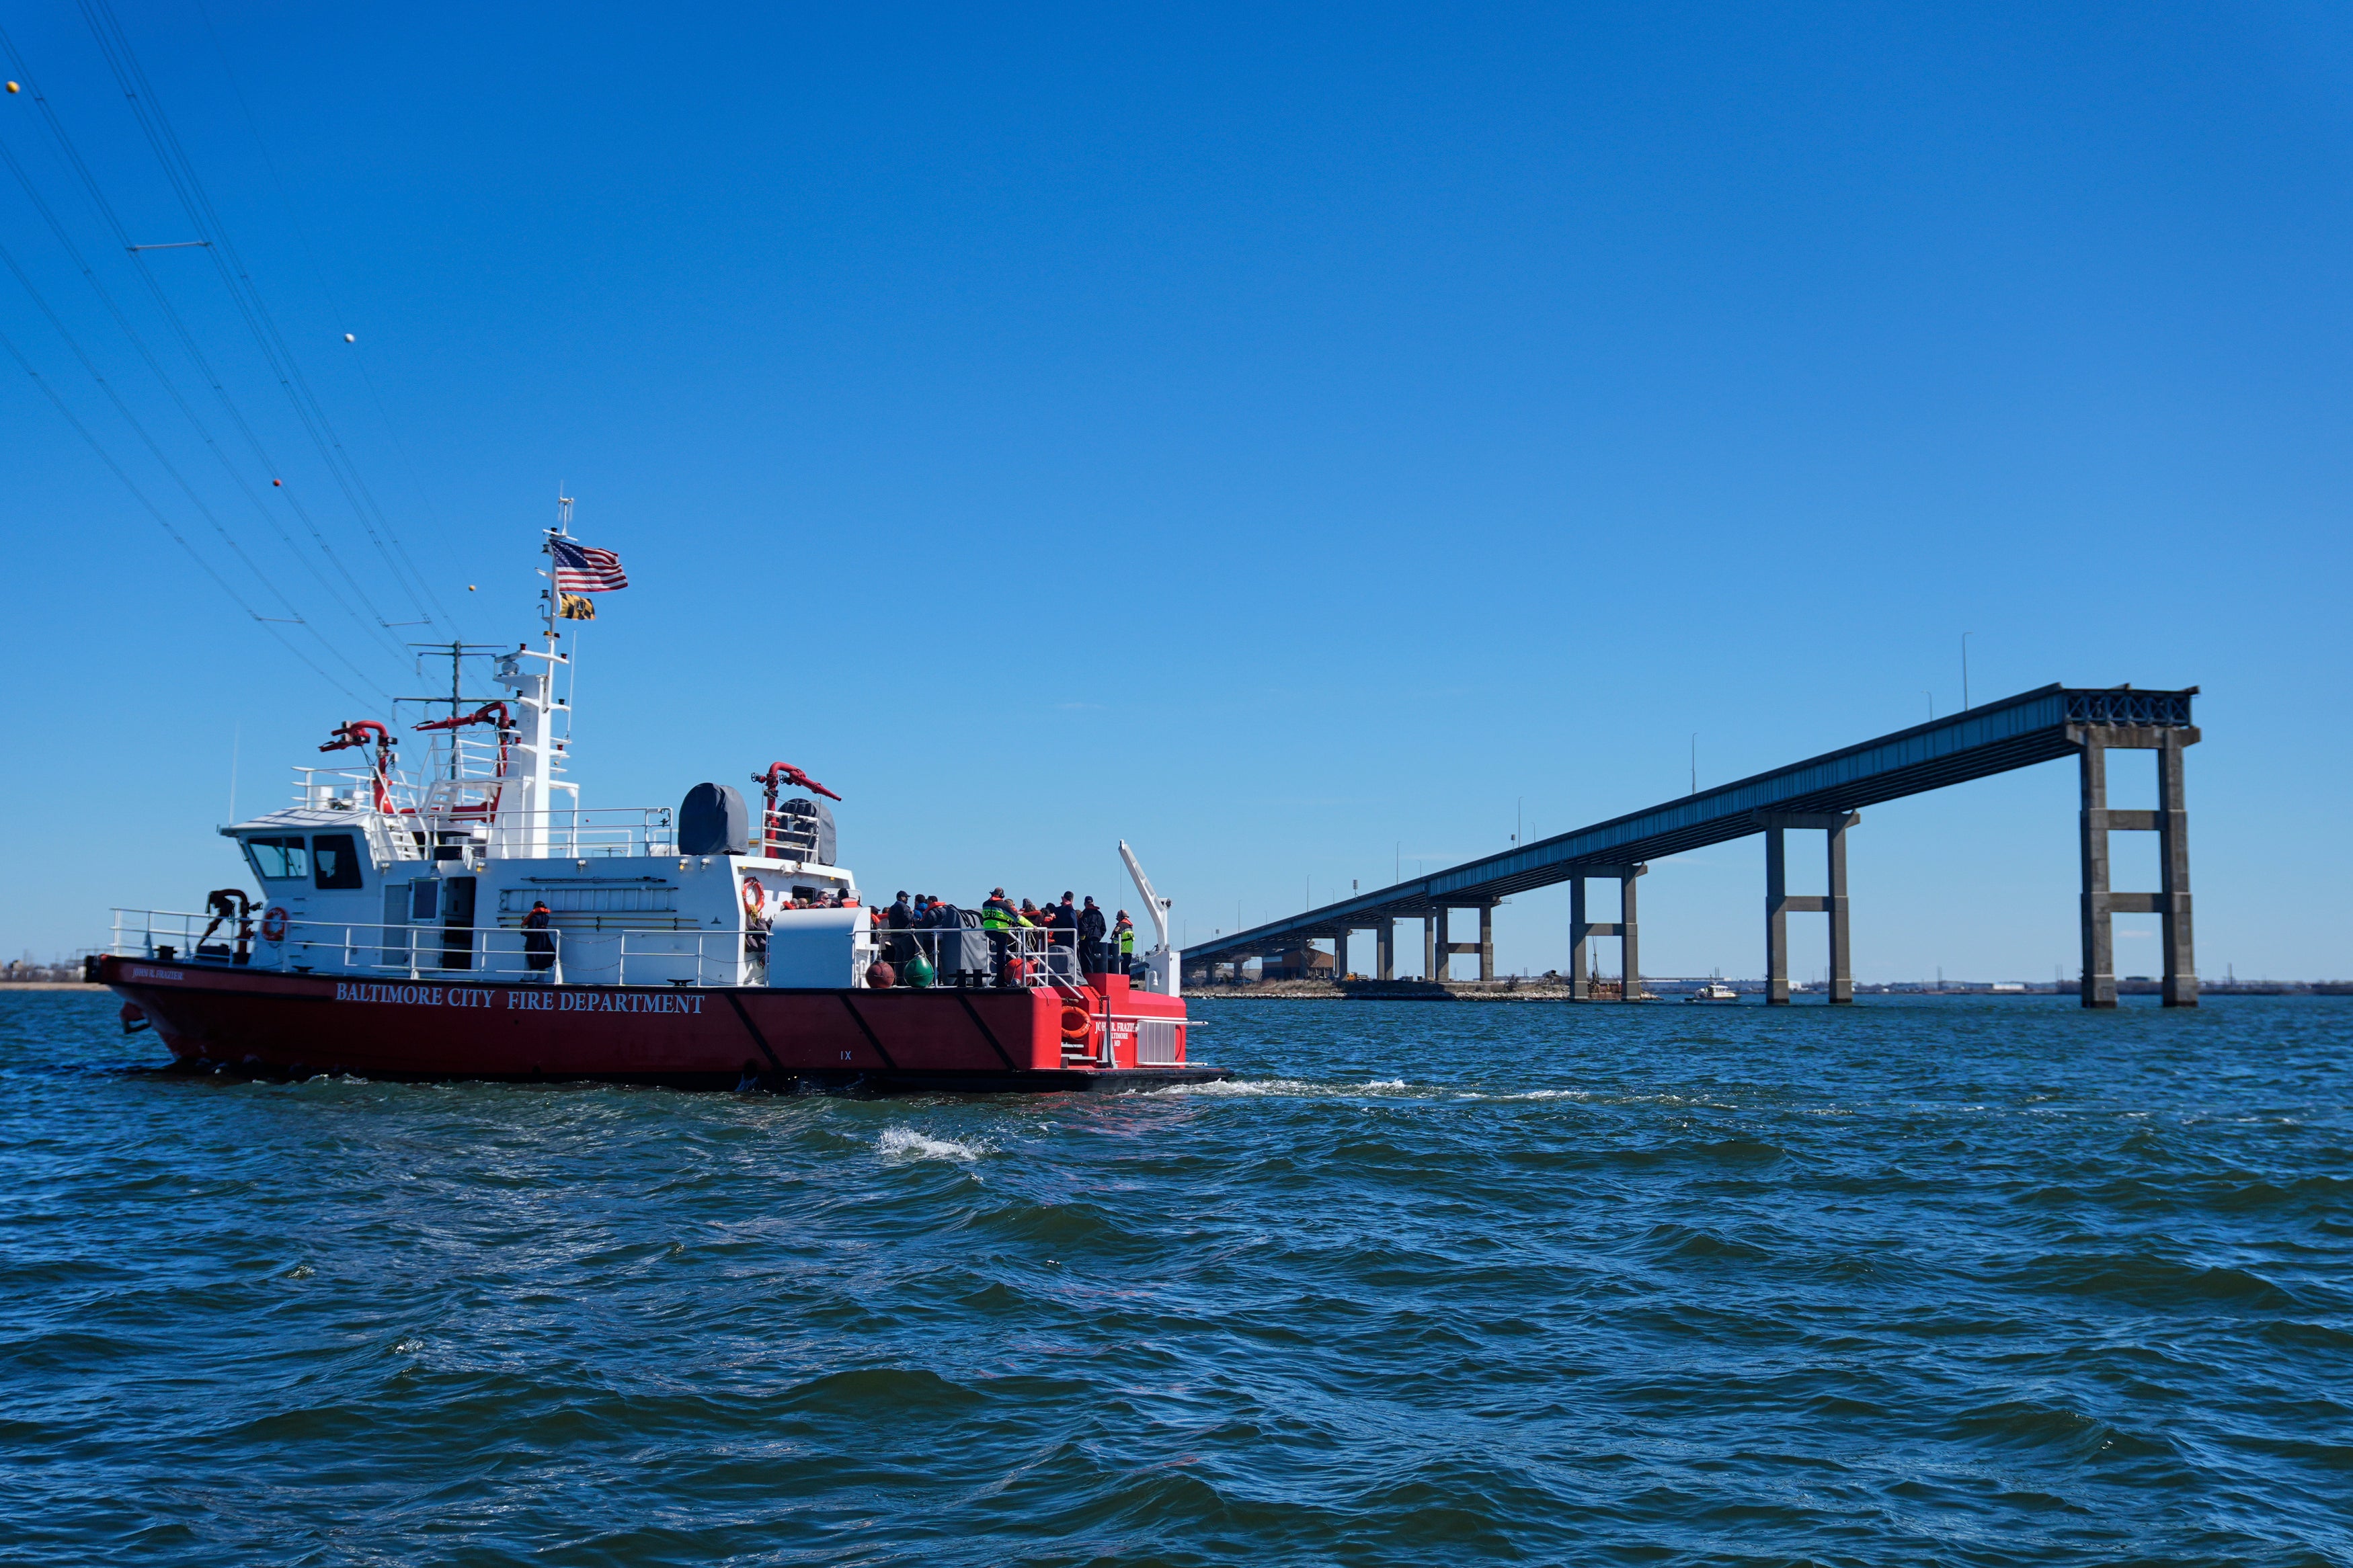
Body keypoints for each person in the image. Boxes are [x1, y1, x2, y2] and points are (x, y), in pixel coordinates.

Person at [524, 900, 556, 975]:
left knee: (528, 958)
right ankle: (541, 978)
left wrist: (524, 932)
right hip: (544, 939)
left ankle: (527, 978)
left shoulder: (534, 917)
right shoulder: (546, 917)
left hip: (535, 940)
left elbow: (533, 929)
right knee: (543, 958)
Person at [1078, 895, 1107, 973]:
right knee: (1096, 959)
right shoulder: (1099, 914)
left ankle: (1089, 976)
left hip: (1087, 940)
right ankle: (1096, 975)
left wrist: (1082, 938)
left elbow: (1083, 927)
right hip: (1097, 940)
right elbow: (1104, 929)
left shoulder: (1084, 914)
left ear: (1085, 904)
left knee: (1087, 959)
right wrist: (1099, 937)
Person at [1115, 909, 1136, 973]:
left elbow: (1116, 937)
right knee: (1126, 970)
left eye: (1118, 916)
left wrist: (1114, 949)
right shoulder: (1129, 926)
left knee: (1120, 971)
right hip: (1129, 952)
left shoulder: (1121, 926)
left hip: (1121, 952)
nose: (1116, 918)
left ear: (1121, 917)